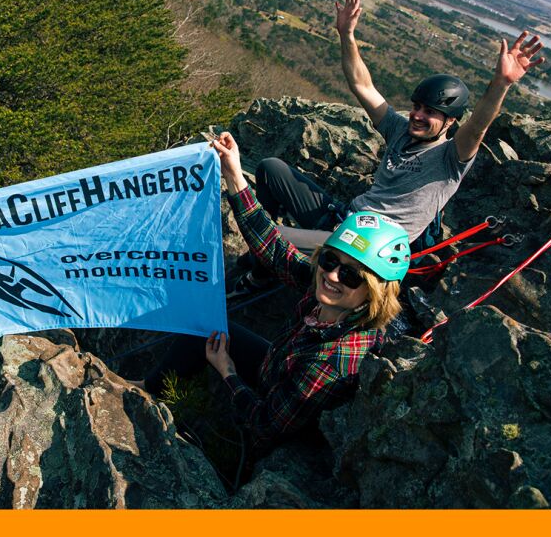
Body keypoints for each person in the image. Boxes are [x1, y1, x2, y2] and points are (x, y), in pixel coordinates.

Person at [231, 0, 543, 296]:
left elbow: (477, 127)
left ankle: (259, 274)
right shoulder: (399, 130)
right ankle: (274, 261)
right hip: (345, 217)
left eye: (430, 112)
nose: (418, 116)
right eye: (417, 106)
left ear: (450, 122)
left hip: (368, 246)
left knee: (271, 236)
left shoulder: (451, 158)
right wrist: (347, 35)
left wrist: (501, 83)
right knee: (271, 168)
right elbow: (361, 84)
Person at [143, 132, 409, 454]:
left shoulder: (333, 361)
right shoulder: (330, 296)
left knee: (216, 343)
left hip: (280, 423)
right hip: (279, 367)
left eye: (351, 274)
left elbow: (265, 428)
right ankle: (149, 388)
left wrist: (227, 371)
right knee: (205, 325)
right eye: (329, 259)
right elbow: (274, 250)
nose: (332, 275)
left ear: (375, 292)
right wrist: (234, 174)